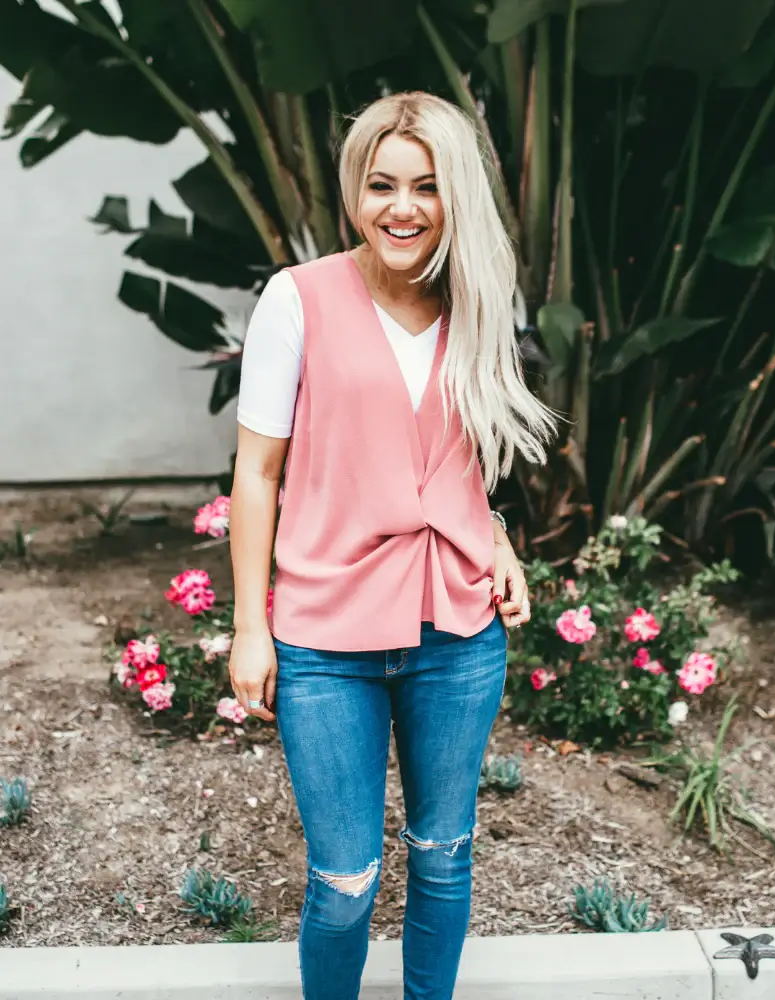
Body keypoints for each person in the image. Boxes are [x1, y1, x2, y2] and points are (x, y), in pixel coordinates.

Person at [228, 91, 555, 1000]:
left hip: (456, 633)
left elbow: (457, 459)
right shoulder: (297, 300)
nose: (401, 208)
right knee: (344, 882)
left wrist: (495, 537)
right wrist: (251, 629)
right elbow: (257, 474)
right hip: (324, 638)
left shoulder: (480, 301)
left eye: (425, 187)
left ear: (456, 198)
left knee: (445, 858)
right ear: (355, 192)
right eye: (381, 185)